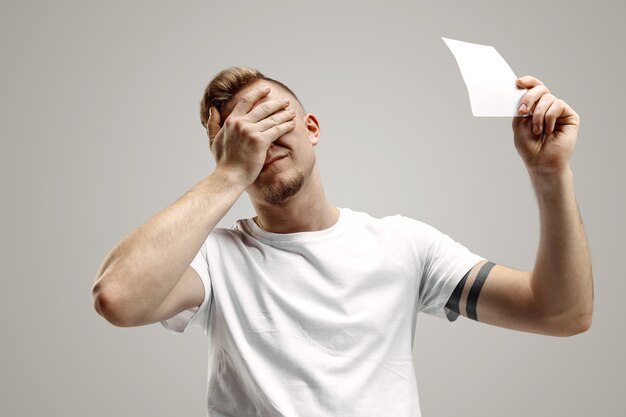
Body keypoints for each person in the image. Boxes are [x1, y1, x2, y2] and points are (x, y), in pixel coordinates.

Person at [92, 66, 594, 416]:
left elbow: (560, 313)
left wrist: (550, 172)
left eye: (272, 114)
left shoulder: (404, 245)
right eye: (240, 130)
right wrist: (229, 173)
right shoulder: (212, 258)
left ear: (311, 128)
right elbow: (117, 297)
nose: (259, 133)